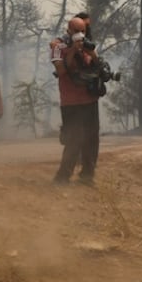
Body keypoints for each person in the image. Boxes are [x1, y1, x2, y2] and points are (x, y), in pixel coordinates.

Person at [51, 16, 101, 186]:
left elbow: (99, 67)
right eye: (76, 31)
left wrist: (91, 53)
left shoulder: (89, 46)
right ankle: (63, 176)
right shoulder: (58, 47)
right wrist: (73, 50)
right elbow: (61, 70)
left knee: (91, 139)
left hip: (89, 99)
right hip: (70, 101)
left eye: (82, 31)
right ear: (69, 31)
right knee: (74, 139)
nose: (79, 34)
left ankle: (87, 175)